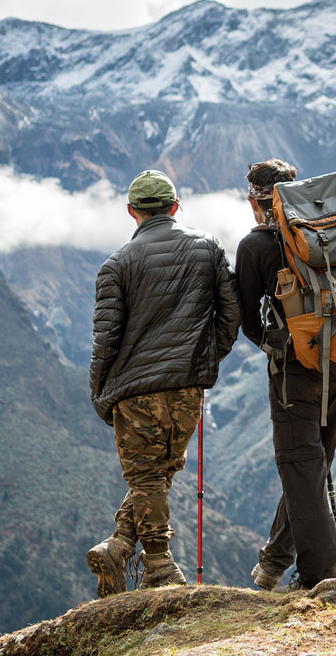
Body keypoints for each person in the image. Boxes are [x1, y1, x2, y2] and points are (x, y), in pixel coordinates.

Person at [87, 169, 240, 597]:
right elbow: (230, 316)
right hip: (187, 387)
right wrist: (205, 360)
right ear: (175, 208)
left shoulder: (116, 266)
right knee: (159, 472)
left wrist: (101, 392)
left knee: (147, 475)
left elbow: (106, 339)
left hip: (134, 390)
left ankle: (157, 565)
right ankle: (120, 545)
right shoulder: (208, 250)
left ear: (132, 211)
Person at [234, 159, 336, 591]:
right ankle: (275, 561)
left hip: (295, 372)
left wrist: (281, 347)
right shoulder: (331, 230)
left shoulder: (255, 246)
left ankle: (319, 581)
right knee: (309, 466)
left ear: (253, 199)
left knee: (300, 464)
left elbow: (248, 321)